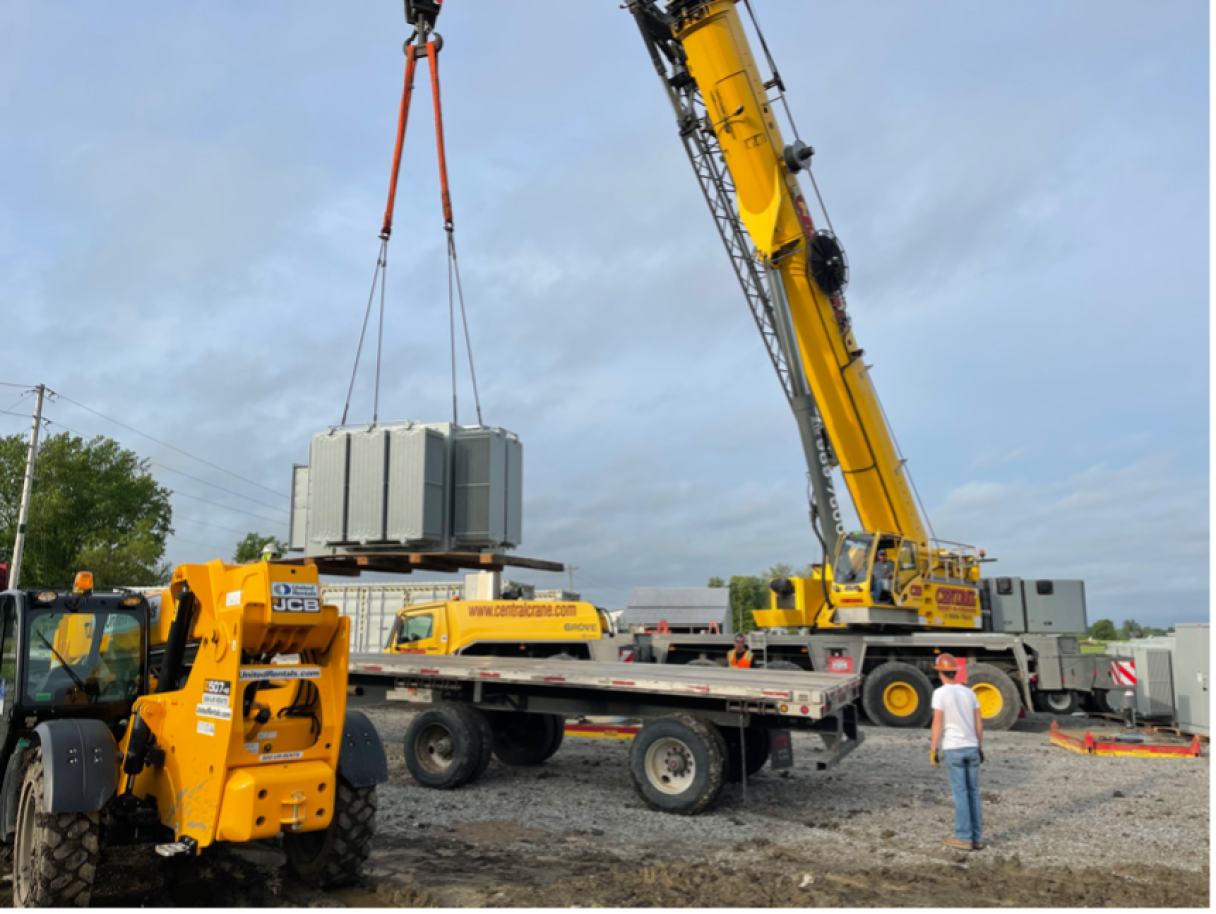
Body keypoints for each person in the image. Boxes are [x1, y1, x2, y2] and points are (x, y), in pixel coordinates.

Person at [930, 653, 985, 851]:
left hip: (953, 749)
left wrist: (933, 748)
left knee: (960, 794)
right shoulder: (970, 693)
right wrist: (979, 746)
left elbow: (937, 722)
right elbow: (979, 723)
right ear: (955, 671)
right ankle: (976, 837)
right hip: (971, 747)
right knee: (973, 793)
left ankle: (963, 837)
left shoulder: (940, 694)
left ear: (940, 673)